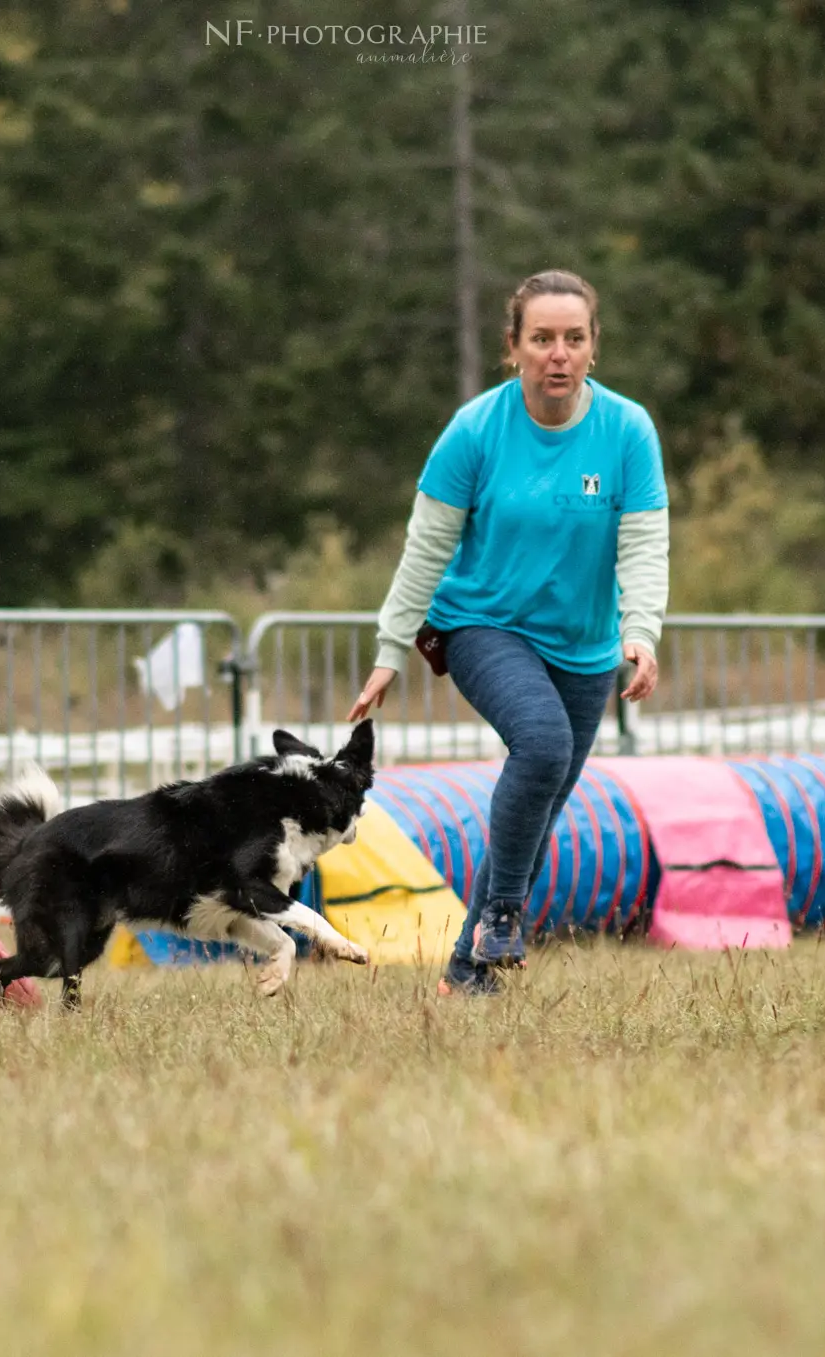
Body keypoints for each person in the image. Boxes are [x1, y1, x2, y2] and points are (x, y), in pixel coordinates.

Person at [345, 269, 668, 995]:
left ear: (593, 349)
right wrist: (389, 651)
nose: (559, 354)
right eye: (543, 339)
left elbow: (644, 545)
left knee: (541, 801)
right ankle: (505, 913)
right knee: (543, 745)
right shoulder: (475, 431)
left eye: (574, 339)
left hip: (586, 646)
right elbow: (425, 547)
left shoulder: (627, 430)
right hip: (482, 624)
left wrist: (640, 634)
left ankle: (467, 970)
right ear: (513, 348)